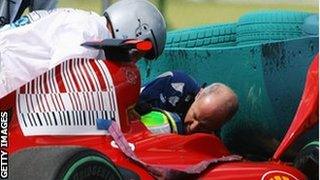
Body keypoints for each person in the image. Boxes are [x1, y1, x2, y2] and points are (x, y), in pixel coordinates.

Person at [0, 0, 166, 98]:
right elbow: (62, 90)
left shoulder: (87, 24)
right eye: (137, 54)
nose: (132, 61)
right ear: (135, 29)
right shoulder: (89, 31)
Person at [136, 71, 239, 135]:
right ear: (198, 95)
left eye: (204, 127)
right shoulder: (175, 84)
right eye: (194, 116)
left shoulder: (213, 127)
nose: (193, 127)